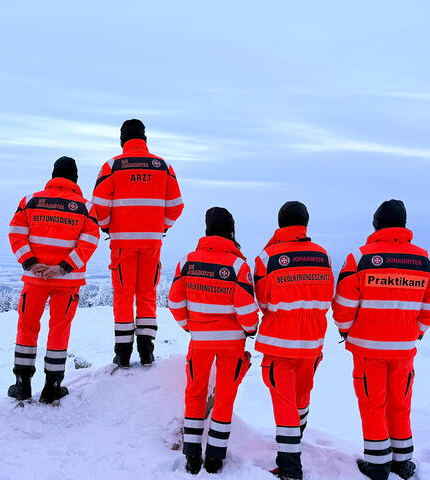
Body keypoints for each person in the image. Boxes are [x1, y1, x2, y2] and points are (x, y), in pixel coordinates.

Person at [331, 200, 430, 480]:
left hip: (367, 349)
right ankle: (403, 463)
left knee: (372, 404)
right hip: (405, 349)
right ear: (404, 225)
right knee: (400, 403)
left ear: (376, 224)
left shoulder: (359, 258)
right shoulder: (427, 260)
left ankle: (378, 464)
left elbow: (343, 304)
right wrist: (414, 332)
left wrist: (345, 331)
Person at [168, 207, 258, 475]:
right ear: (231, 231)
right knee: (225, 398)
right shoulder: (238, 265)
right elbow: (246, 309)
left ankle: (192, 455)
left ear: (206, 230)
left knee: (194, 394)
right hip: (232, 345)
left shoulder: (187, 262)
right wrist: (249, 330)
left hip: (200, 342)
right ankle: (215, 458)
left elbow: (174, 302)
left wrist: (190, 326)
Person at [6, 156, 101, 403]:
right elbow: (89, 242)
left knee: (27, 326)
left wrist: (30, 263)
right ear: (76, 179)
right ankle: (52, 386)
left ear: (53, 175)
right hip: (67, 281)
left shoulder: (30, 201)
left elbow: (16, 233)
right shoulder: (86, 207)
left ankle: (22, 383)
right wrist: (63, 268)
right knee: (59, 329)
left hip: (34, 279)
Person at [92, 119, 184, 367]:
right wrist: (160, 227)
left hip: (122, 242)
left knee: (124, 294)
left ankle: (122, 354)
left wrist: (109, 227)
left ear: (123, 139)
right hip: (152, 241)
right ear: (144, 138)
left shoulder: (113, 165)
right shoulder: (162, 166)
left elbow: (98, 206)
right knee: (147, 293)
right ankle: (147, 352)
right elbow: (176, 206)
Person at [252, 202, 334, 480]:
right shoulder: (322, 256)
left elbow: (262, 301)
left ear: (279, 224)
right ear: (305, 223)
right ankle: (295, 446)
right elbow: (327, 296)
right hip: (312, 343)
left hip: (279, 344)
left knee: (285, 404)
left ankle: (289, 467)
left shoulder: (267, 257)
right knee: (301, 398)